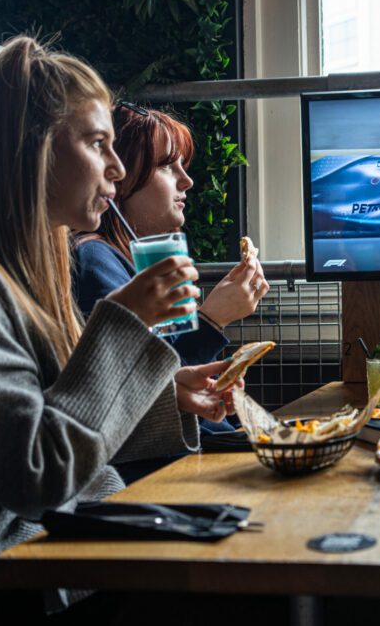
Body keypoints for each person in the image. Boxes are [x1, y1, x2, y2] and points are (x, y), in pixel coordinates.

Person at [0, 37, 237, 626]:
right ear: (33, 150)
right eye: (98, 143)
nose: (118, 169)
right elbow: (36, 473)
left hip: (34, 560)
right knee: (234, 599)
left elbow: (54, 414)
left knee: (234, 556)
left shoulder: (15, 267)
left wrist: (167, 396)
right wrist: (121, 325)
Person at [73, 103, 268, 441]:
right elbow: (143, 388)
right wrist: (212, 320)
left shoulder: (143, 260)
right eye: (166, 166)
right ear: (122, 176)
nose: (187, 181)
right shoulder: (95, 260)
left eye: (183, 166)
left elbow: (175, 376)